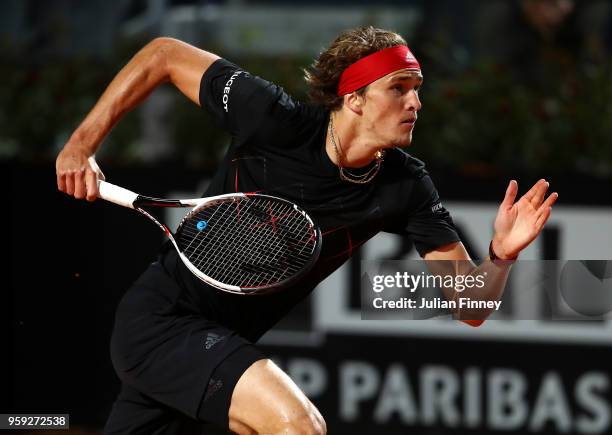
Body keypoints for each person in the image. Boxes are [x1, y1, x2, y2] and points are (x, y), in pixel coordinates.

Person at [56, 26, 558, 435]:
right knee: (299, 428)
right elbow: (163, 54)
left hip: (215, 341)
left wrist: (501, 254)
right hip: (164, 321)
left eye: (417, 90)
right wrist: (82, 145)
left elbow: (468, 307)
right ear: (354, 98)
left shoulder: (405, 185)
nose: (414, 104)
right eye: (398, 89)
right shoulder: (273, 119)